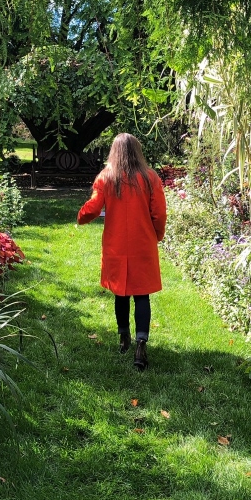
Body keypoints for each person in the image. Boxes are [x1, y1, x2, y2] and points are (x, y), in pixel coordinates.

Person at [77, 133, 167, 370]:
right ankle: (141, 344)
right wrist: (156, 235)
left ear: (114, 152)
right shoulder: (150, 178)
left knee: (121, 293)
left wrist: (81, 215)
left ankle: (123, 337)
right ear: (138, 151)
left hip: (116, 246)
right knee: (142, 295)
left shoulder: (107, 177)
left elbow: (93, 208)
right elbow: (159, 213)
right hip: (142, 245)